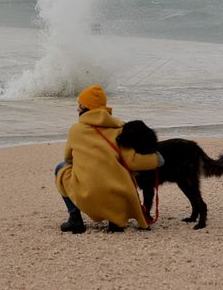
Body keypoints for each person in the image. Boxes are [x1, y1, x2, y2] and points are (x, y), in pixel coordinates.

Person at [54, 84, 164, 233]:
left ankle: (75, 219)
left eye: (80, 105)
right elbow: (132, 161)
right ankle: (115, 219)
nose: (77, 108)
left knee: (61, 168)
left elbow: (68, 158)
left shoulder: (76, 129)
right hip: (119, 195)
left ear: (87, 108)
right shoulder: (119, 129)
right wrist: (156, 160)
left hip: (87, 196)